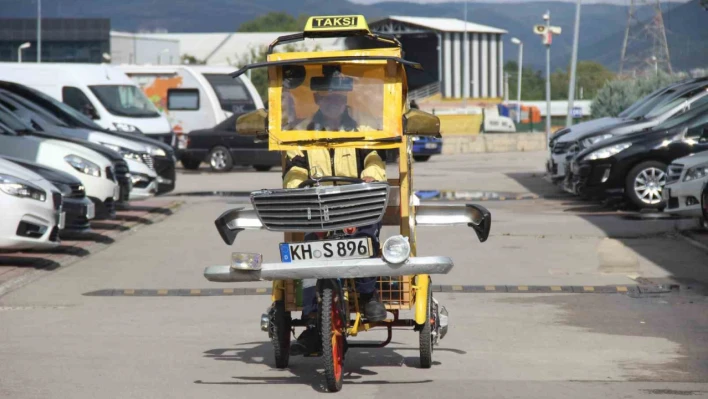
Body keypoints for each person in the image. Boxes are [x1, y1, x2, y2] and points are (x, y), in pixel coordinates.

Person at [283, 83, 388, 356]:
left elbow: (375, 159)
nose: (334, 102)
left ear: (345, 100)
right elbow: (294, 168)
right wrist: (297, 187)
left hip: (356, 203)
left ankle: (367, 296)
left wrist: (370, 178)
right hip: (318, 209)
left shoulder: (361, 130)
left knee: (365, 236)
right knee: (307, 254)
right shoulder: (302, 131)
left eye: (339, 98)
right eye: (328, 97)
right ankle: (311, 320)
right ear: (318, 98)